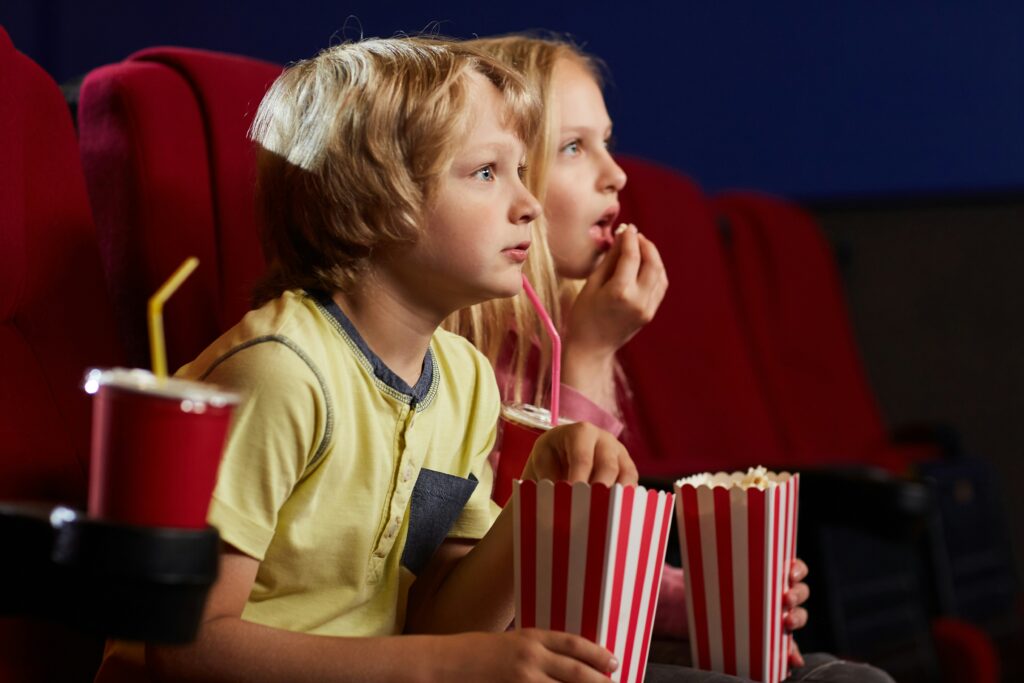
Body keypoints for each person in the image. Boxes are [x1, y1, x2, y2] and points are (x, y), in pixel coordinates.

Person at [93, 36, 638, 683]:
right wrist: (447, 664)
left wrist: (538, 502)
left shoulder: (465, 382)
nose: (531, 204)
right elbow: (184, 647)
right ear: (380, 201)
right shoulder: (281, 372)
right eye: (488, 172)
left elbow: (440, 621)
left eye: (523, 171)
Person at [445, 34, 895, 683]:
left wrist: (705, 600)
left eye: (606, 140)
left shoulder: (553, 333)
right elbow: (549, 570)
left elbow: (600, 560)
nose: (615, 173)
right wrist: (592, 353)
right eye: (574, 147)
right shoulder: (462, 364)